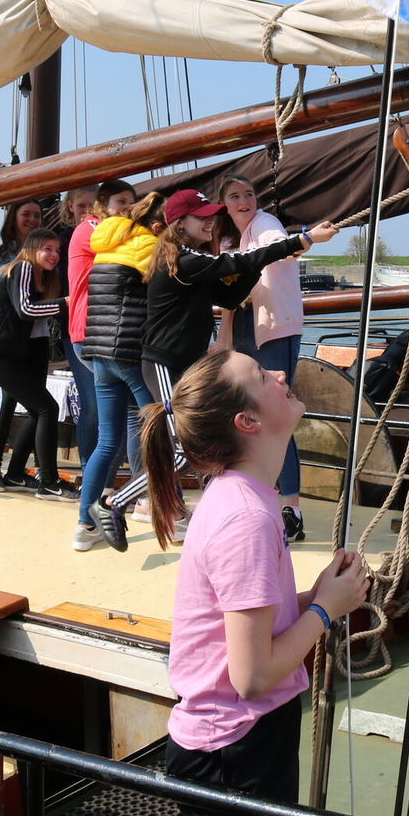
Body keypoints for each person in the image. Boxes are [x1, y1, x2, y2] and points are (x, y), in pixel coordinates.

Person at [151, 349, 369, 816]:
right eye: (260, 375)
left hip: (236, 742)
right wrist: (324, 610)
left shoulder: (243, 496)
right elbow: (251, 676)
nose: (277, 373)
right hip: (234, 752)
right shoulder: (245, 518)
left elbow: (252, 620)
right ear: (247, 420)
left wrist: (317, 592)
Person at [91, 189, 338, 551]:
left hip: (187, 366)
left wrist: (260, 264)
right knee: (180, 449)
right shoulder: (180, 258)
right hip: (163, 364)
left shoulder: (190, 261)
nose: (210, 221)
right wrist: (298, 240)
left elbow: (227, 295)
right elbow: (231, 267)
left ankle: (213, 514)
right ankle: (111, 503)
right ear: (179, 223)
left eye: (211, 215)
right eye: (201, 216)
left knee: (207, 442)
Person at [215, 174, 308, 543]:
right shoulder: (232, 238)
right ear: (225, 204)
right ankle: (262, 500)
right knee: (247, 414)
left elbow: (279, 245)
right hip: (247, 329)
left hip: (274, 329)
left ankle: (292, 508)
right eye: (235, 196)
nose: (244, 200)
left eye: (249, 193)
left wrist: (297, 245)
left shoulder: (265, 224)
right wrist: (224, 337)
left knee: (275, 414)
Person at [74, 190, 165, 552]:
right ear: (156, 225)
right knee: (157, 429)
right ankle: (150, 508)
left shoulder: (107, 243)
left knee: (107, 441)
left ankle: (84, 524)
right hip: (129, 354)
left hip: (99, 355)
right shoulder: (148, 246)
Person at [0, 228, 76, 501]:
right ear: (32, 249)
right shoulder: (24, 268)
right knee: (46, 408)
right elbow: (25, 309)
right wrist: (66, 304)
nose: (54, 255)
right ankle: (50, 482)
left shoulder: (40, 275)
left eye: (58, 251)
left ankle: (16, 472)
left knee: (36, 409)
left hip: (14, 352)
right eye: (48, 249)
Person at [65, 181, 136, 471]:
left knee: (116, 422)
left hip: (104, 332)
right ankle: (141, 492)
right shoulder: (93, 228)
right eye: (121, 202)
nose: (128, 208)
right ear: (103, 204)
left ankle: (99, 494)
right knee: (137, 412)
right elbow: (135, 252)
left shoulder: (103, 229)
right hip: (96, 332)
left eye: (132, 202)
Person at [0, 199, 43, 296]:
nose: (32, 219)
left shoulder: (49, 254)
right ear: (13, 219)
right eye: (26, 214)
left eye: (37, 216)